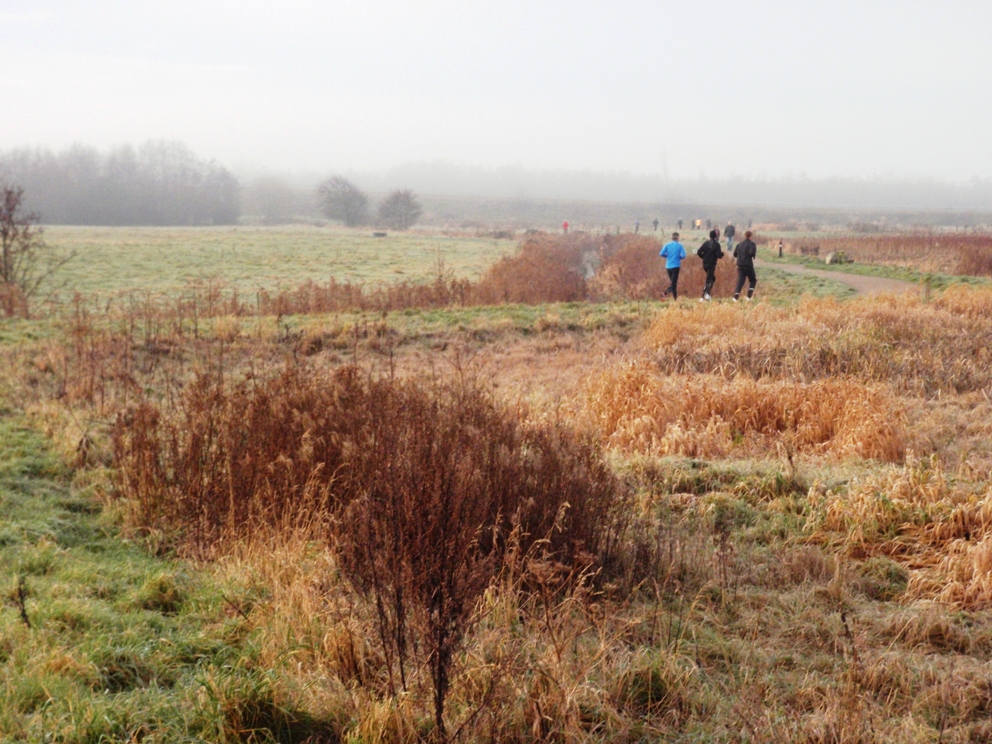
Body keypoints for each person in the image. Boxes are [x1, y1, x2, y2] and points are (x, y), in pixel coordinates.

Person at [696, 229, 724, 301]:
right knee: (708, 280)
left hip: (705, 264)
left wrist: (703, 257)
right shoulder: (717, 245)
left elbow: (699, 252)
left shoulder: (705, 243)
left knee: (712, 279)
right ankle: (703, 296)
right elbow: (718, 255)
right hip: (711, 264)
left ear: (709, 236)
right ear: (715, 236)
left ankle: (707, 294)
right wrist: (721, 254)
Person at [733, 230, 758, 301]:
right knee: (753, 280)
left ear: (745, 236)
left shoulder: (739, 244)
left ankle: (735, 297)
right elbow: (751, 253)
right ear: (751, 236)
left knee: (740, 281)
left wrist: (740, 256)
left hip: (740, 265)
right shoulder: (752, 244)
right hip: (748, 265)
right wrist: (753, 255)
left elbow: (735, 254)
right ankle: (749, 297)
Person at [660, 232, 687, 300]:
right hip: (676, 266)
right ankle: (672, 297)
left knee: (673, 283)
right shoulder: (680, 246)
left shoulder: (667, 245)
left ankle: (668, 295)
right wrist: (679, 257)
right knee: (674, 284)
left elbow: (661, 253)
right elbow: (683, 255)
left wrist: (667, 256)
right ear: (678, 238)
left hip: (668, 266)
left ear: (672, 238)